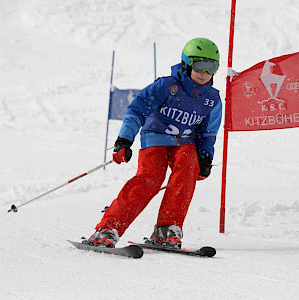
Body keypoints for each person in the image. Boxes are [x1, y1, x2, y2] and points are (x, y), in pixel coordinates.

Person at [84, 37, 222, 249]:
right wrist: (124, 140)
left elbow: (208, 133)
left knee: (186, 170)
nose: (205, 73)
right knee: (150, 178)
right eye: (199, 65)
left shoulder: (212, 99)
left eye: (211, 67)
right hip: (155, 138)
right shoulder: (167, 85)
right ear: (186, 63)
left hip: (185, 143)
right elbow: (136, 110)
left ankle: (167, 229)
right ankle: (108, 228)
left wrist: (205, 157)